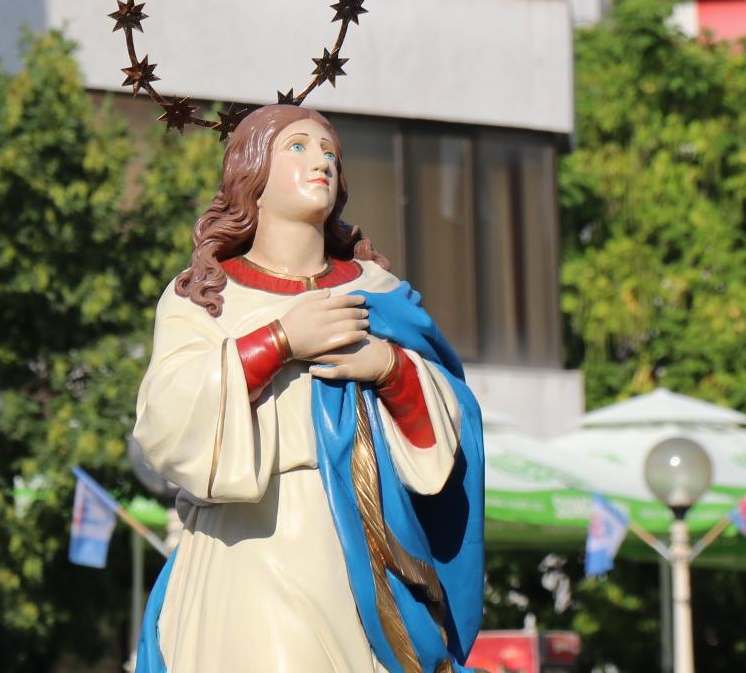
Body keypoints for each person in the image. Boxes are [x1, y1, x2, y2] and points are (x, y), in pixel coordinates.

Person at [131, 104, 485, 672]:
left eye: (330, 153)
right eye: (296, 146)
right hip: (250, 544)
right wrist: (278, 340)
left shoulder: (378, 291)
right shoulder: (204, 294)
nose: (320, 160)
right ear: (252, 175)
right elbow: (167, 417)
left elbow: (453, 417)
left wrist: (390, 368)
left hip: (362, 545)